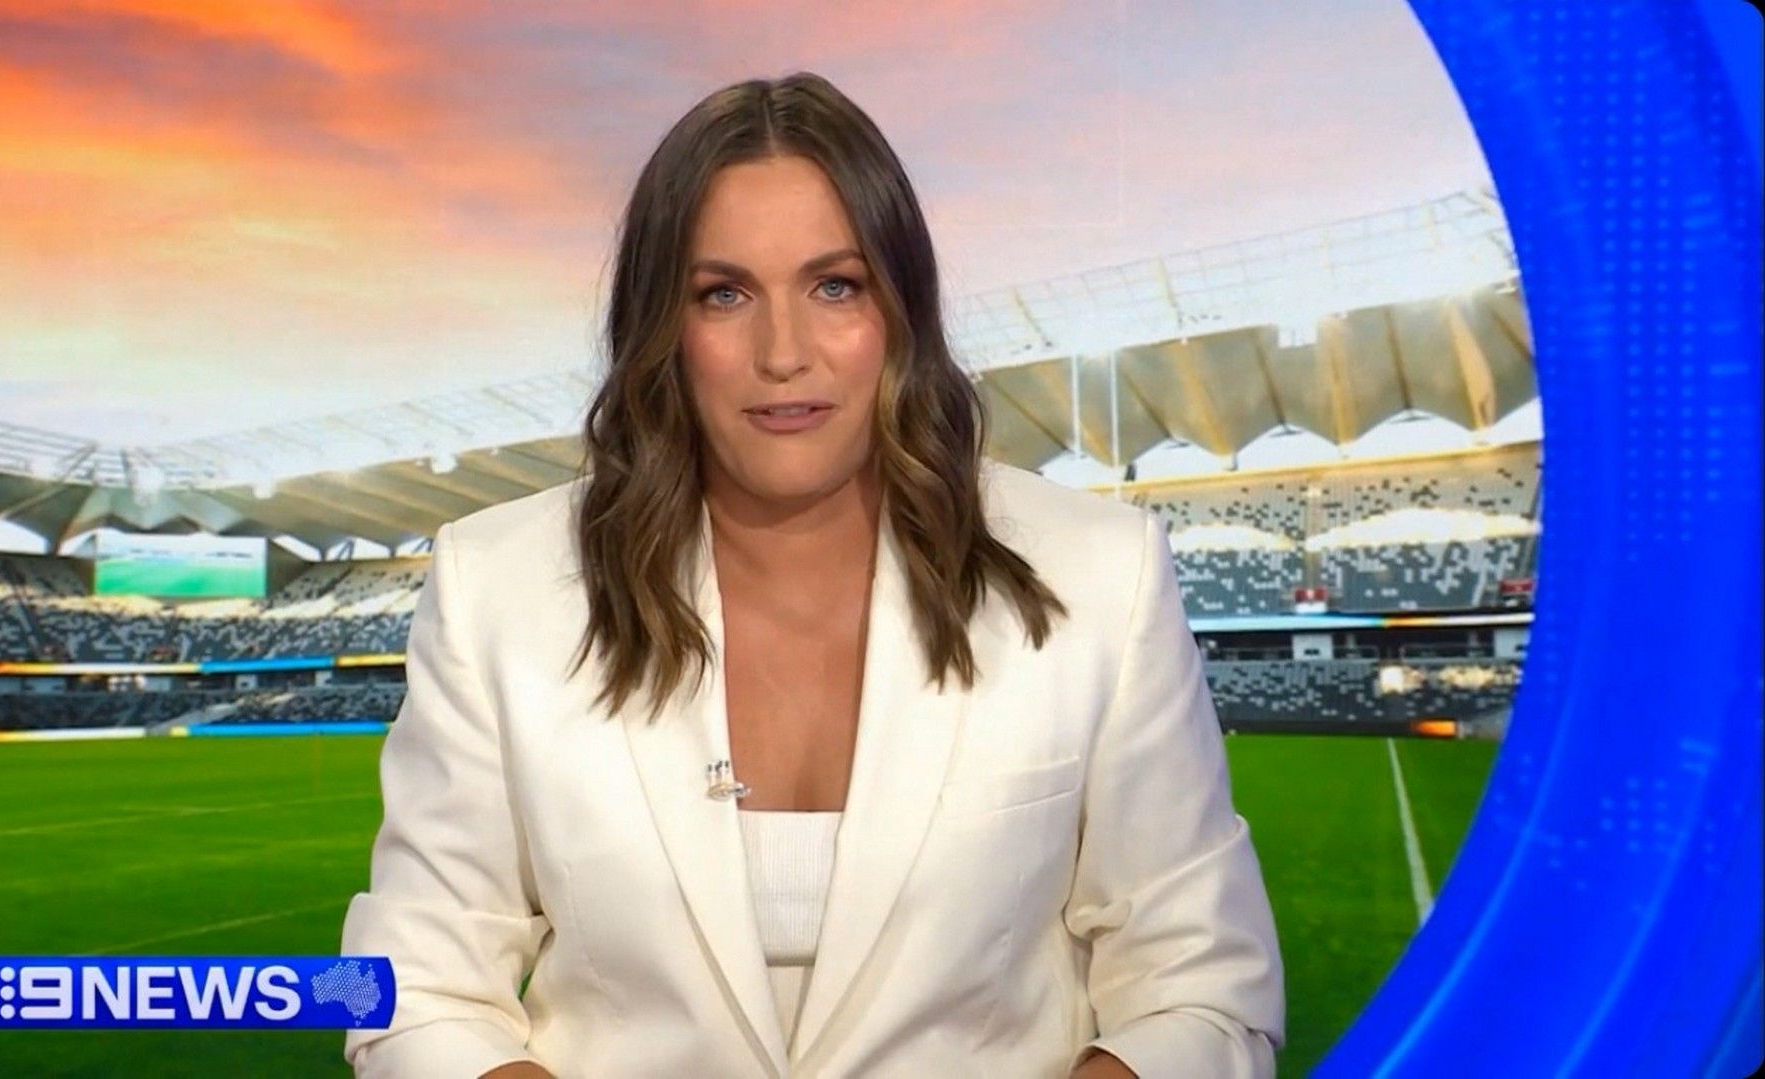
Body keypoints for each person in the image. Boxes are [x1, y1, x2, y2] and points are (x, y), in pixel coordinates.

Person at [341, 71, 1284, 1078]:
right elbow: (408, 985)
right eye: (724, 294)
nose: (783, 352)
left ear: (902, 312)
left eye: (836, 286)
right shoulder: (496, 585)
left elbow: (1203, 986)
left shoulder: (1102, 573)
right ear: (662, 328)